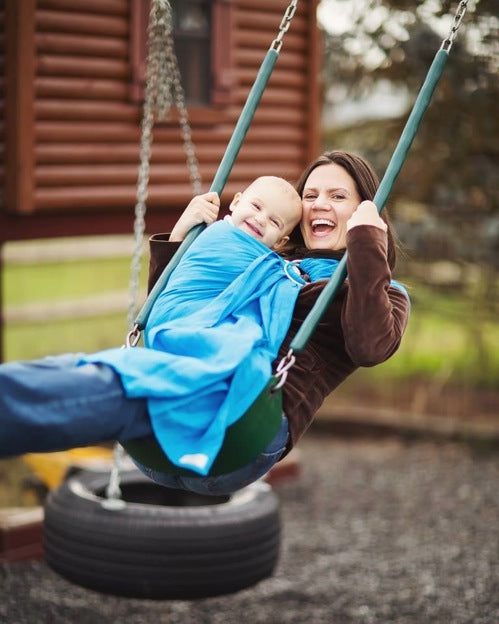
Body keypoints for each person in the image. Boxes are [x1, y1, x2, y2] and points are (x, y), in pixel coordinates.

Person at [0, 175, 311, 477]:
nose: (259, 219)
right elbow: (180, 278)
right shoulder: (209, 231)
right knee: (77, 373)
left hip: (206, 338)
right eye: (256, 207)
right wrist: (181, 231)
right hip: (175, 322)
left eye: (274, 222)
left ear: (281, 240)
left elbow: (251, 298)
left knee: (92, 381)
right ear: (238, 201)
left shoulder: (266, 262)